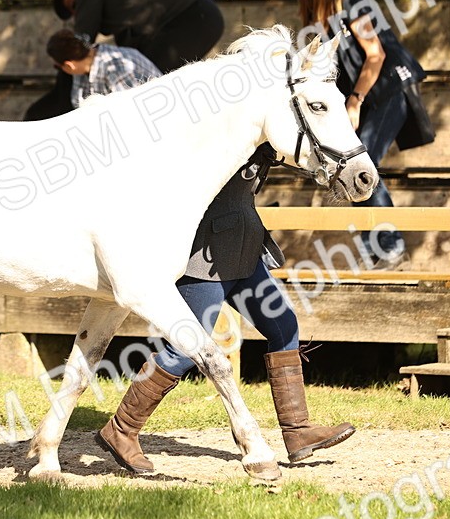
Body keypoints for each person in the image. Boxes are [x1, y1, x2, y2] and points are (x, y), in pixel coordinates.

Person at [96, 145, 355, 476]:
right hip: (207, 258)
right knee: (184, 350)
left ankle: (298, 430)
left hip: (245, 252)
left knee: (284, 326)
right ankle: (122, 428)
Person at [294, 0, 425, 266]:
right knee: (350, 167)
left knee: (364, 163)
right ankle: (375, 254)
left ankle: (391, 248)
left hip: (387, 91)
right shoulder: (316, 16)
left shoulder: (351, 2)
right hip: (361, 98)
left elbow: (375, 54)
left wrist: (354, 101)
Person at [25, 0, 224, 120]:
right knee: (150, 85)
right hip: (197, 18)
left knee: (147, 89)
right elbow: (126, 46)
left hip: (193, 19)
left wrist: (56, 103)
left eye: (74, 6)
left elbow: (81, 43)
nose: (77, 14)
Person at [45, 29, 161, 109]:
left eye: (57, 66)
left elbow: (131, 113)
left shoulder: (117, 68)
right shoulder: (83, 69)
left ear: (69, 65)